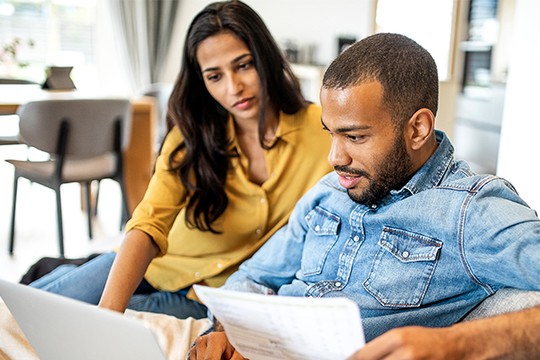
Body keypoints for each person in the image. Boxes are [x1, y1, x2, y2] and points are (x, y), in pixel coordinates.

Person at [188, 33, 540, 359]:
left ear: (417, 129)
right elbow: (253, 277)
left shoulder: (468, 211)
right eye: (331, 134)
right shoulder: (328, 193)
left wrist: (456, 343)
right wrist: (225, 330)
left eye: (354, 137)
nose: (334, 158)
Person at [27, 0, 332, 319]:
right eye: (215, 76)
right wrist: (108, 315)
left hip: (207, 296)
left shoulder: (323, 129)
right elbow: (148, 222)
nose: (234, 87)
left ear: (266, 58)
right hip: (152, 265)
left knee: (69, 326)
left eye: (244, 65)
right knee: (26, 312)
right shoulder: (191, 135)